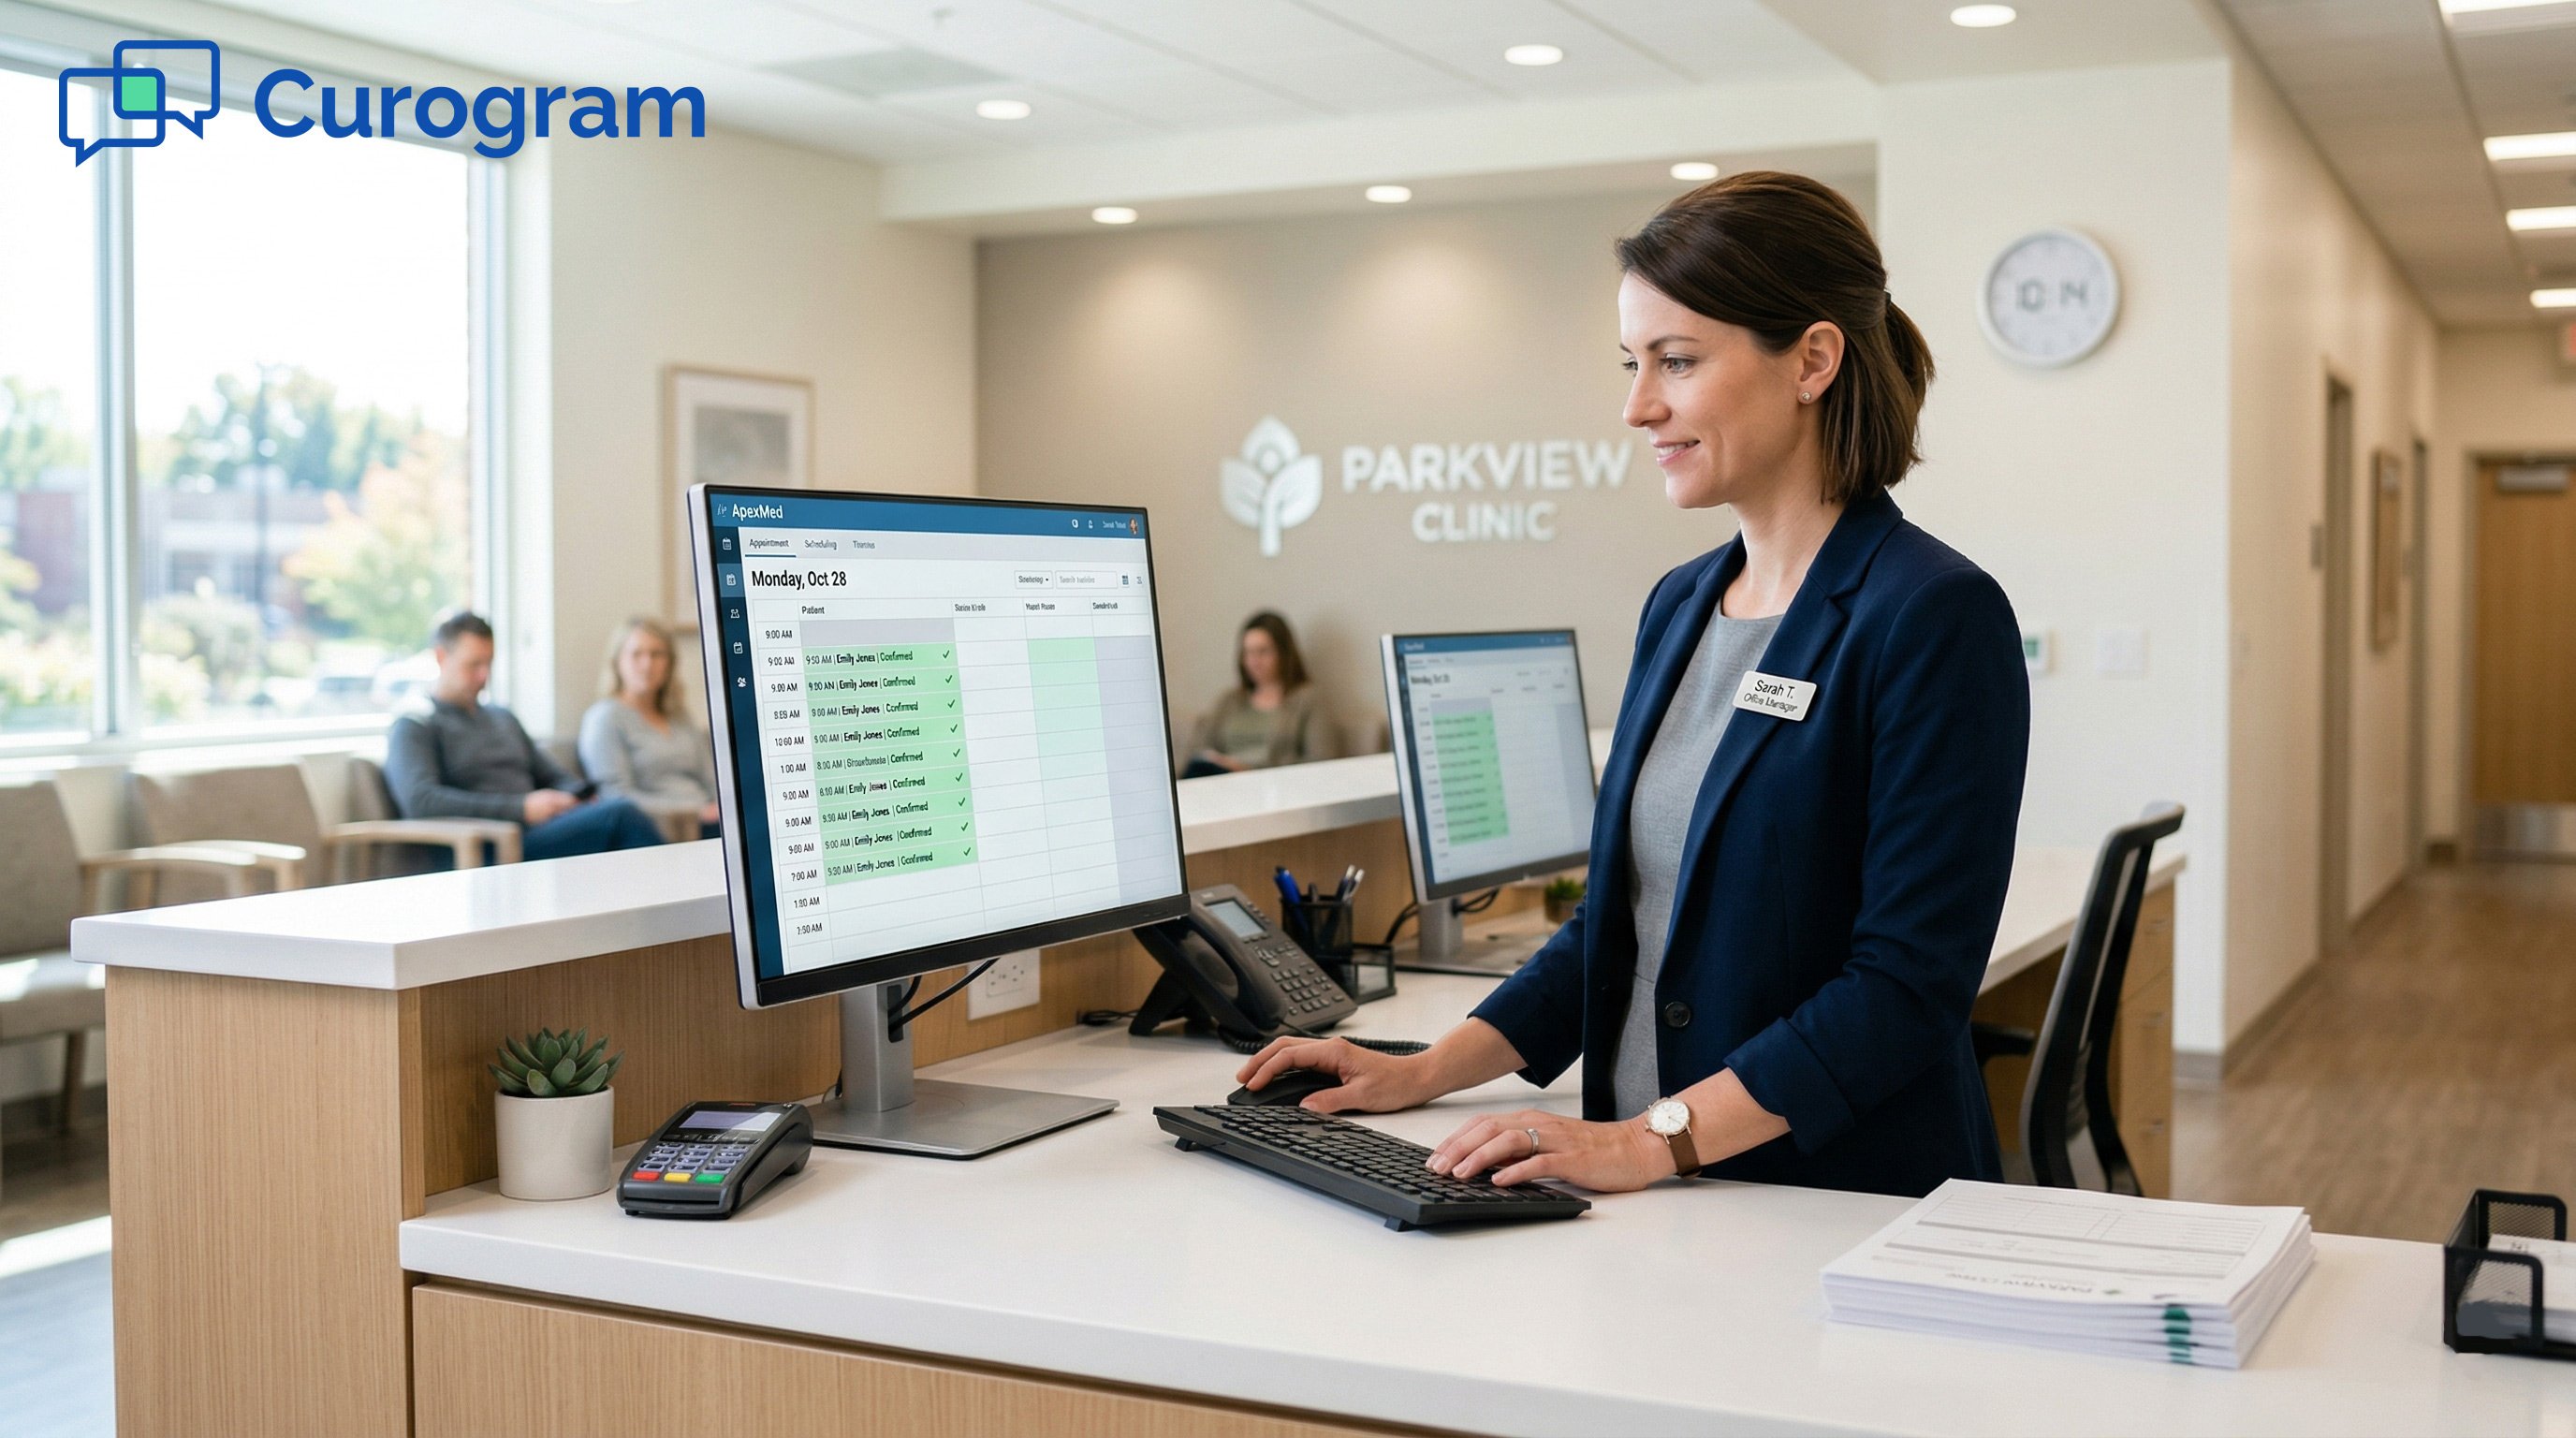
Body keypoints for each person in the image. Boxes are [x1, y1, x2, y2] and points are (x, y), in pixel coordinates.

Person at [1235, 172, 2029, 1200]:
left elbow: (1902, 991)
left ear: (1814, 361)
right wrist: (1422, 1071)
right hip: (1649, 1193)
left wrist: (1652, 1141)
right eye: (1633, 362)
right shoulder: (1680, 604)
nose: (1636, 405)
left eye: (1677, 361)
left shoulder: (1928, 614)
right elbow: (1616, 925)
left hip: (1827, 1200)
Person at [384, 611, 666, 861]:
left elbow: (552, 775)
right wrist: (521, 808)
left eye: (489, 663)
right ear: (441, 657)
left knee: (611, 814)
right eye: (473, 665)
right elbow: (421, 800)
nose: (484, 676)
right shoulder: (415, 723)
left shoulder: (501, 717)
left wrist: (579, 796)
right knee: (620, 816)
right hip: (487, 844)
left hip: (538, 831)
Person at [578, 617, 722, 840]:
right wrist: (695, 812)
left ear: (669, 664)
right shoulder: (605, 718)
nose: (647, 664)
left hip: (713, 817)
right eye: (636, 654)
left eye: (656, 655)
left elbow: (711, 777)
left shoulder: (680, 717)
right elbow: (616, 796)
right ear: (617, 662)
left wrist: (729, 807)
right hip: (666, 824)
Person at [1179, 611, 1333, 778]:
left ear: (1283, 653)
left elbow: (1322, 761)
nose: (1254, 661)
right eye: (1248, 652)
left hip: (1271, 787)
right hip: (1222, 783)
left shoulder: (1308, 699)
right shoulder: (1229, 700)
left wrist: (1248, 769)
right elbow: (1198, 750)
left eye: (1263, 651)